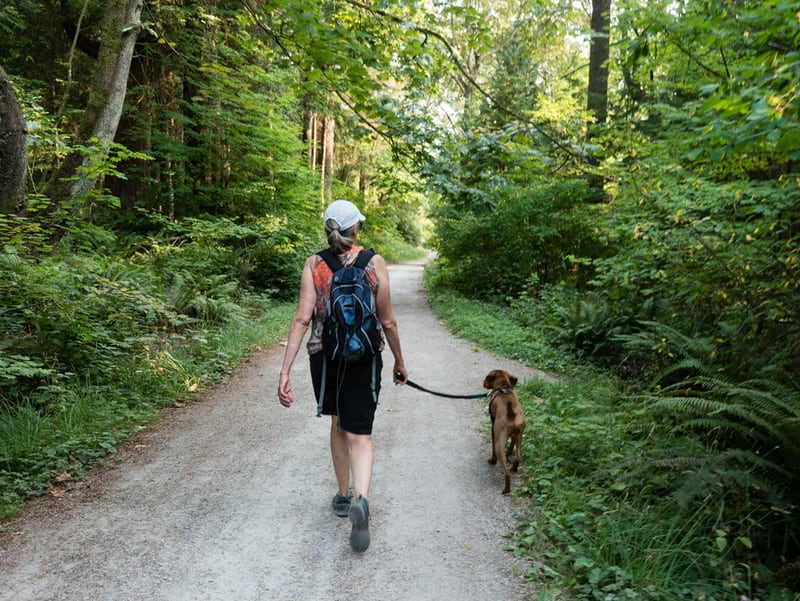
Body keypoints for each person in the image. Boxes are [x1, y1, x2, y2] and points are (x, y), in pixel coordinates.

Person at [277, 199, 408, 552]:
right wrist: (399, 361)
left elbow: (303, 318)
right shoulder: (374, 262)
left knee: (338, 423)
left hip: (327, 358)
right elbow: (388, 320)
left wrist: (285, 369)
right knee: (360, 434)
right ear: (356, 229)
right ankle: (361, 499)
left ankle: (341, 494)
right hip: (364, 357)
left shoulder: (314, 264)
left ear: (327, 230)